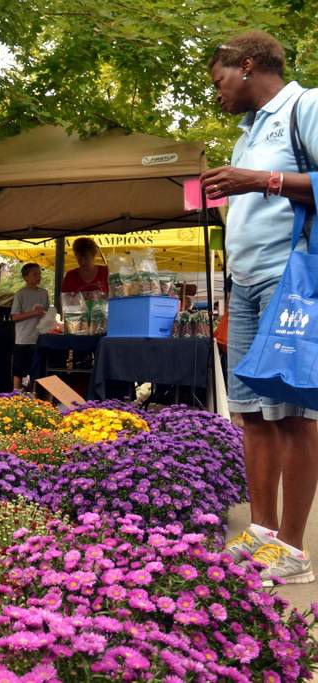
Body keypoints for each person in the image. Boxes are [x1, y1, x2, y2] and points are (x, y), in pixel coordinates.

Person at [201, 30, 318, 586]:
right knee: (249, 414)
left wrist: (261, 180)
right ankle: (265, 537)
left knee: (293, 413)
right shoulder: (249, 132)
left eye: (219, 79)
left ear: (246, 65)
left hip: (288, 282)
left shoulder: (306, 106)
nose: (217, 93)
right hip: (244, 285)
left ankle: (293, 550)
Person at [10, 263, 49, 391]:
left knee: (36, 368)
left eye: (40, 274)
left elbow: (47, 314)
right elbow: (14, 317)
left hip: (39, 337)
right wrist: (34, 312)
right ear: (25, 277)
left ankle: (34, 394)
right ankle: (15, 395)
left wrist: (44, 314)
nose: (39, 277)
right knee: (19, 370)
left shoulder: (44, 293)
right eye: (35, 274)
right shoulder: (20, 294)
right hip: (23, 338)